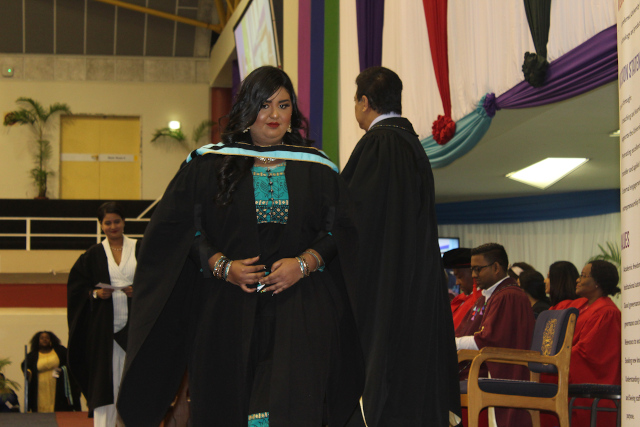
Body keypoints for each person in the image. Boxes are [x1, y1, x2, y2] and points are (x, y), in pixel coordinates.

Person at [117, 66, 364, 427]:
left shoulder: (317, 168)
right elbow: (180, 229)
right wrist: (222, 266)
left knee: (292, 408)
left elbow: (342, 229)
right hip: (226, 311)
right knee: (227, 407)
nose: (274, 115)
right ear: (247, 108)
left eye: (283, 105)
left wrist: (304, 263)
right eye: (264, 105)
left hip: (299, 311)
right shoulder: (210, 164)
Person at [341, 66, 460, 427]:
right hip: (419, 281)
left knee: (380, 374)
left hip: (384, 283)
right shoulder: (414, 148)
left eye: (355, 101)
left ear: (365, 102)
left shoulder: (377, 144)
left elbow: (351, 219)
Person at [67, 201, 139, 426]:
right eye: (107, 223)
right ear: (101, 225)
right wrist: (95, 294)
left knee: (134, 385)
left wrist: (138, 291)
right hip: (104, 333)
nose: (113, 226)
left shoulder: (140, 248)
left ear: (124, 222)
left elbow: (157, 280)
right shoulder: (93, 255)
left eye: (117, 221)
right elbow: (77, 289)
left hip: (135, 331)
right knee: (104, 387)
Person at [455, 243, 535, 427]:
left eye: (478, 269)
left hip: (504, 369)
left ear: (496, 267)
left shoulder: (508, 296)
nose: (473, 275)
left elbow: (488, 341)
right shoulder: (487, 297)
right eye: (472, 269)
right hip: (480, 364)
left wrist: (453, 344)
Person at [542, 260, 621, 427]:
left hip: (587, 385)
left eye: (583, 276)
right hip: (562, 366)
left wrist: (554, 358)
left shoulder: (607, 312)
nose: (578, 280)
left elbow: (587, 354)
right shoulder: (579, 305)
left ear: (597, 282)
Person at [21, 331, 80, 413]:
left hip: (58, 385)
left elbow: (70, 361)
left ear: (51, 340)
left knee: (58, 407)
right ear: (38, 341)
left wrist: (63, 369)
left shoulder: (60, 351)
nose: (44, 340)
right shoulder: (32, 355)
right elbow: (25, 366)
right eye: (42, 338)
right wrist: (28, 372)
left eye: (47, 338)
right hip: (40, 386)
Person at [443, 247, 482, 329]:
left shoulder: (481, 301)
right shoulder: (459, 300)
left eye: (460, 277)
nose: (457, 283)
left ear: (473, 273)